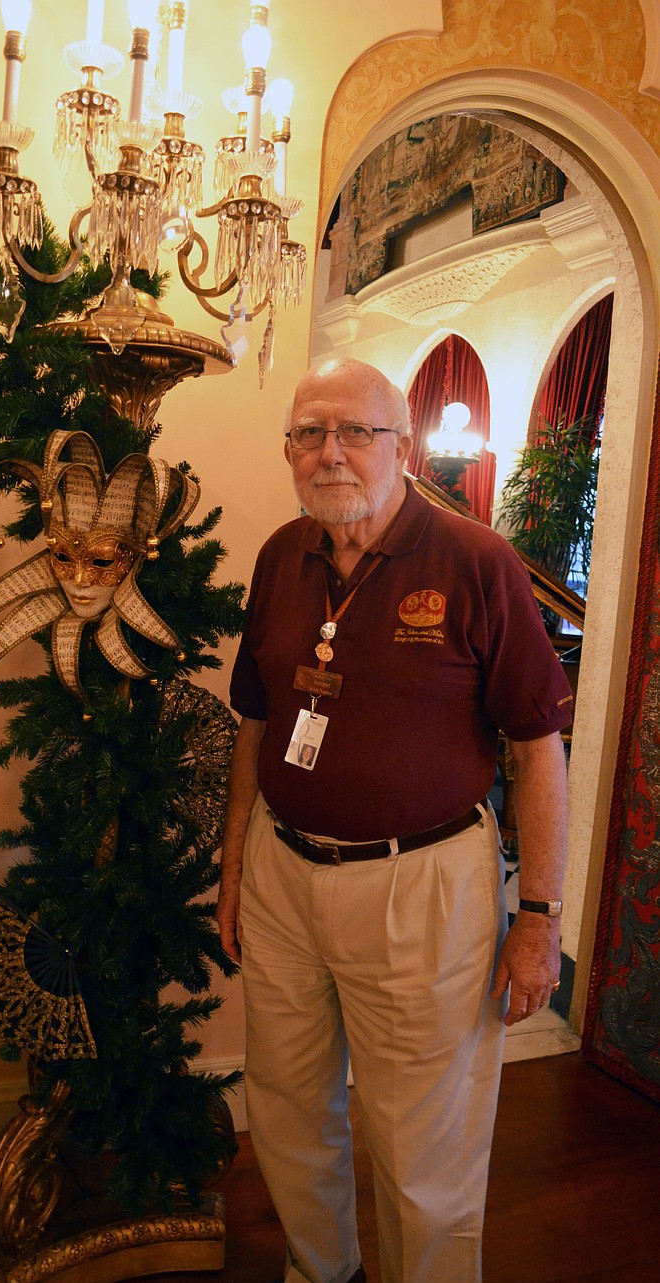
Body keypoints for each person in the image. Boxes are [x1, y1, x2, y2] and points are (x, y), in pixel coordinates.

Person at [216, 358, 572, 1283]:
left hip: (424, 886)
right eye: (308, 433)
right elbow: (256, 723)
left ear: (403, 447)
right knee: (288, 1113)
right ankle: (321, 1272)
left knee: (428, 1148)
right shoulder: (280, 554)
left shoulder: (476, 561)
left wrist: (539, 917)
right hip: (283, 874)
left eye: (356, 432)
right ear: (289, 448)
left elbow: (538, 749)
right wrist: (233, 867)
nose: (329, 453)